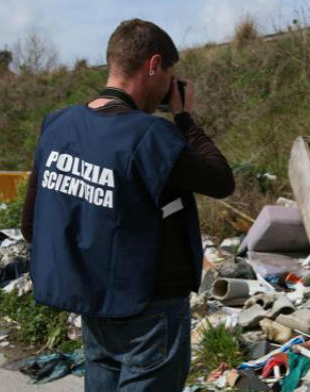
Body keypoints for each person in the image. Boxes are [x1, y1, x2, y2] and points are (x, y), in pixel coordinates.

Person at [20, 19, 234, 391]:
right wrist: (184, 118)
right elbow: (220, 179)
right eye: (169, 75)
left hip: (95, 309)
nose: (169, 86)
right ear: (154, 66)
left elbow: (30, 226)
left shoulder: (57, 126)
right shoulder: (151, 136)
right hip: (149, 315)